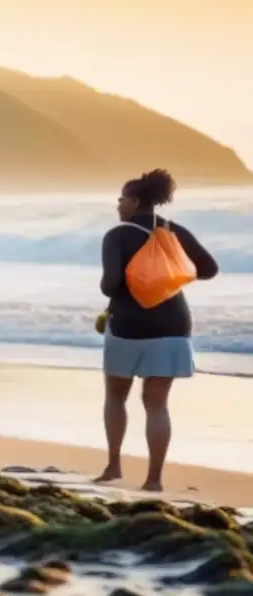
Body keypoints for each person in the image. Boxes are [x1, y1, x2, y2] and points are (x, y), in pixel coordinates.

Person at [95, 169, 217, 491]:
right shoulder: (174, 231)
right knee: (157, 404)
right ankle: (153, 480)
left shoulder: (118, 235)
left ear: (135, 201)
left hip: (127, 325)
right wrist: (168, 275)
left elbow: (109, 286)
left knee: (115, 396)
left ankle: (113, 467)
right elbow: (208, 269)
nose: (118, 204)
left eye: (121, 199)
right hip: (173, 324)